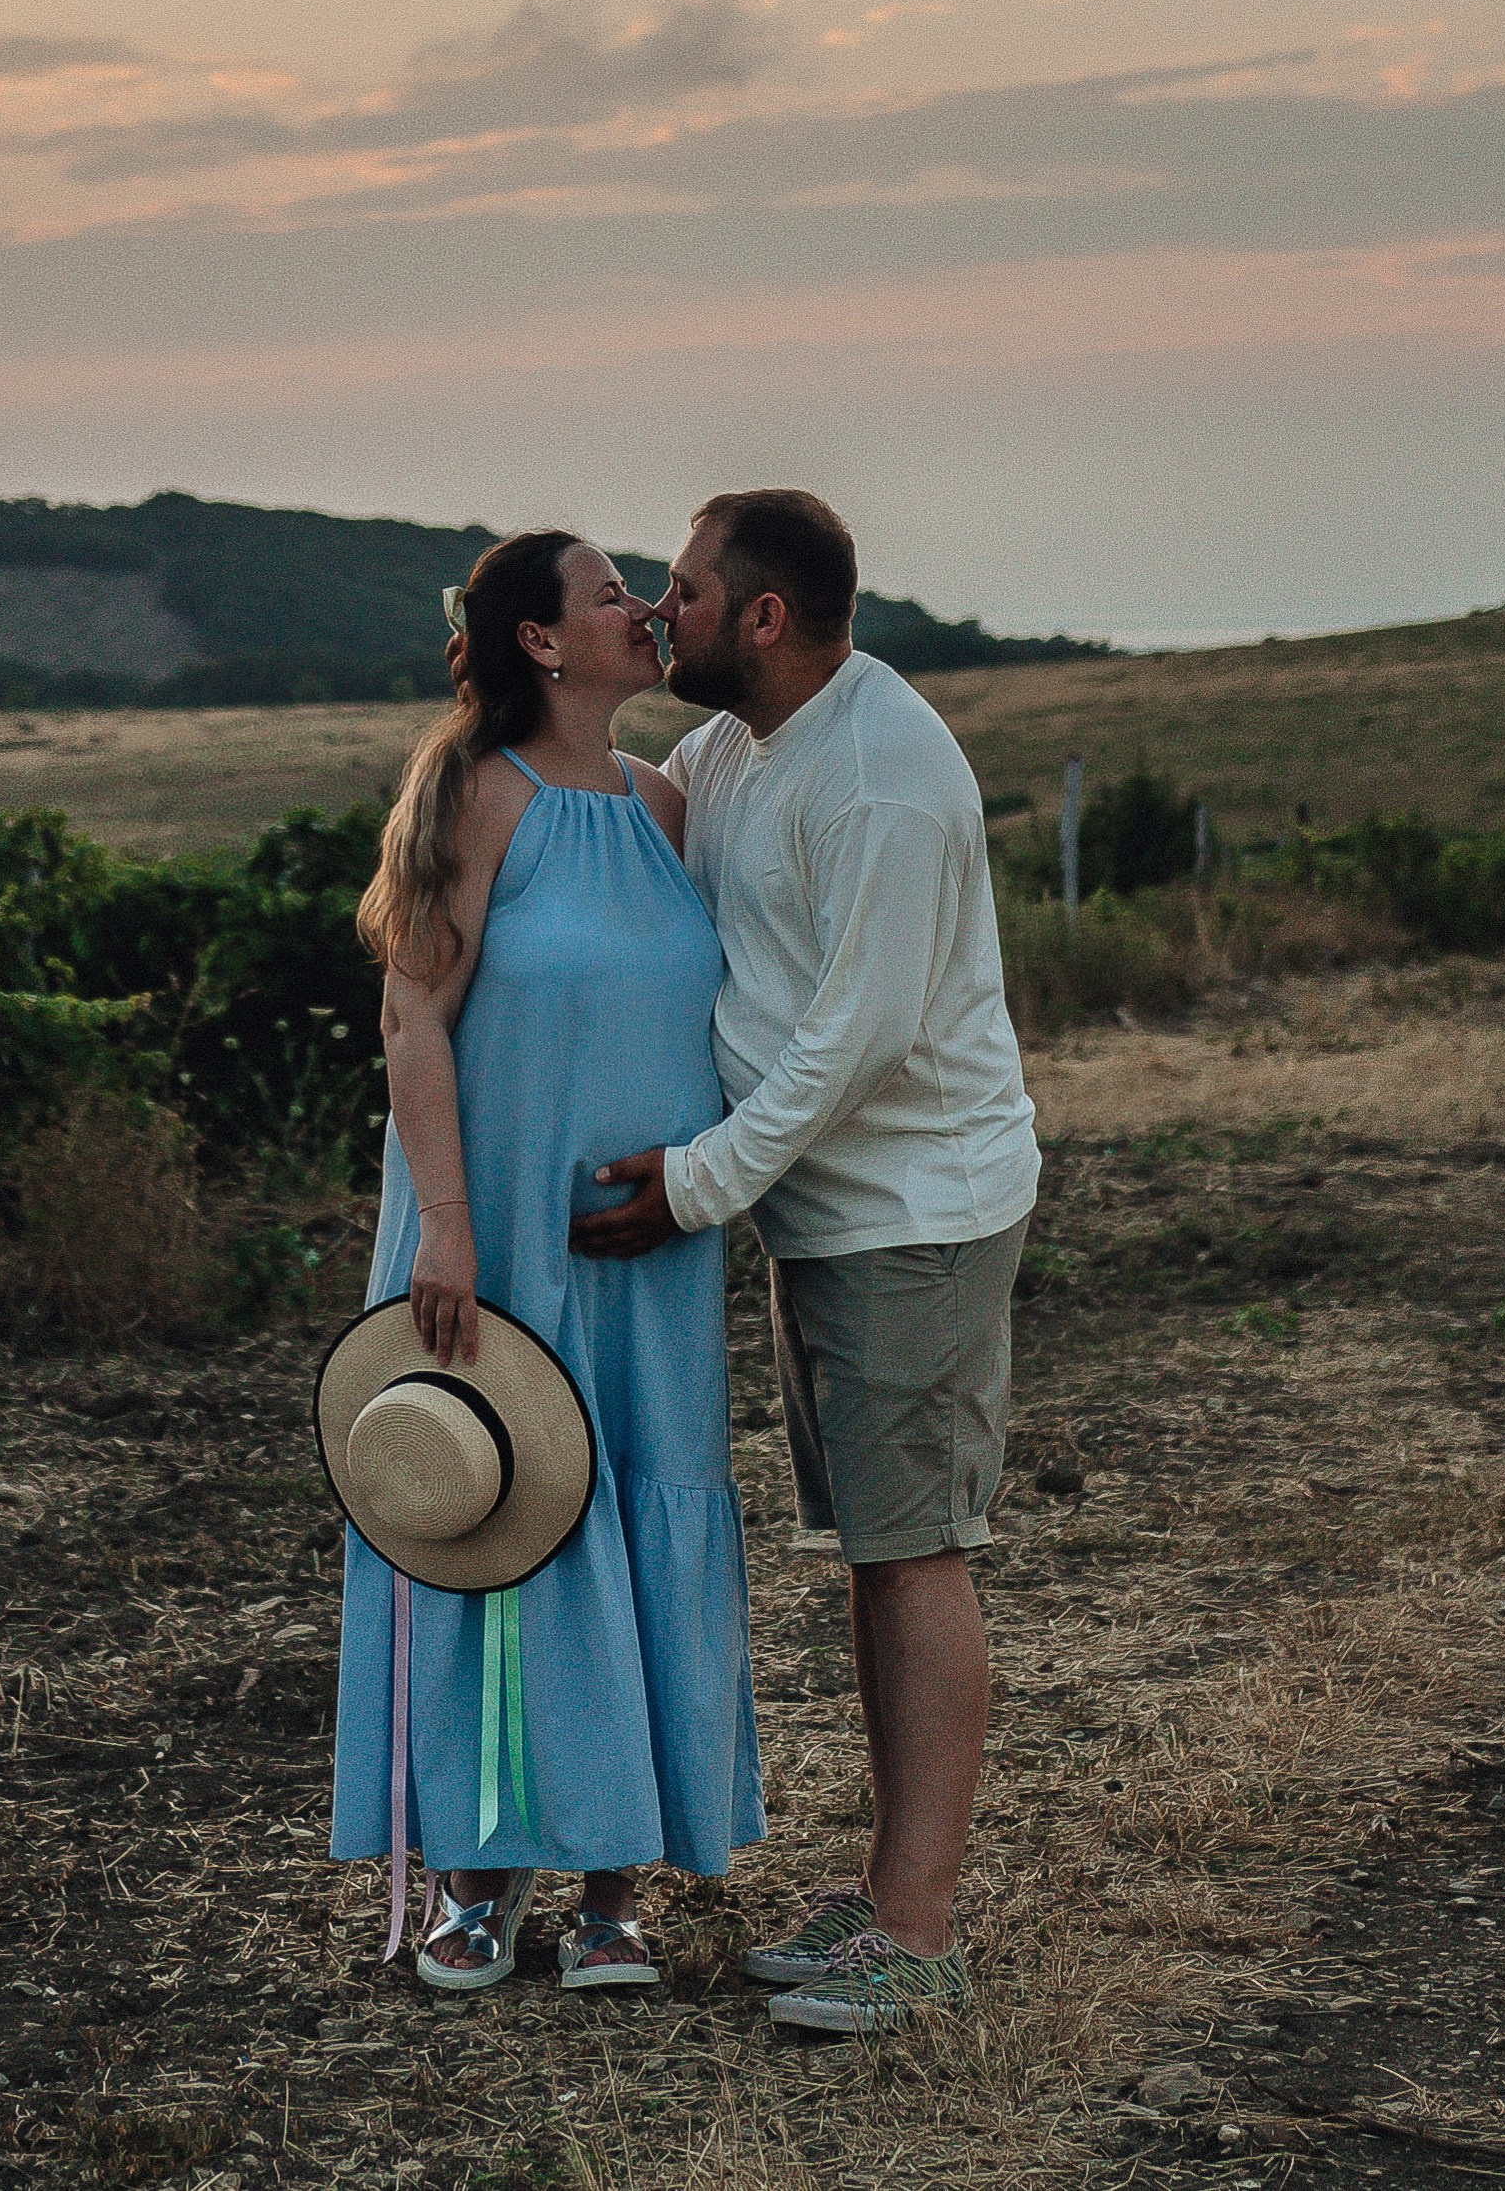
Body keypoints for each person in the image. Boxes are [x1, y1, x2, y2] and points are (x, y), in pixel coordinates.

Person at [573, 487, 1039, 2034]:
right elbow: (636, 808)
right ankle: (887, 1889)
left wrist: (698, 1183)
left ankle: (919, 1930)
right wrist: (528, 708)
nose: (664, 608)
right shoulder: (741, 744)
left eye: (686, 590)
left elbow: (858, 1039)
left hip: (915, 1212)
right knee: (873, 1550)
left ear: (764, 616)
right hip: (829, 1219)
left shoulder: (884, 774)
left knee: (916, 1552)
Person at [328, 532, 762, 1991]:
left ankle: (614, 1893)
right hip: (498, 1236)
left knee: (633, 1507)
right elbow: (413, 1017)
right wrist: (448, 1226)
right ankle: (473, 1880)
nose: (644, 609)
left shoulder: (666, 802)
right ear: (541, 640)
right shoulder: (475, 793)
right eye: (609, 592)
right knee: (500, 1512)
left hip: (650, 1250)